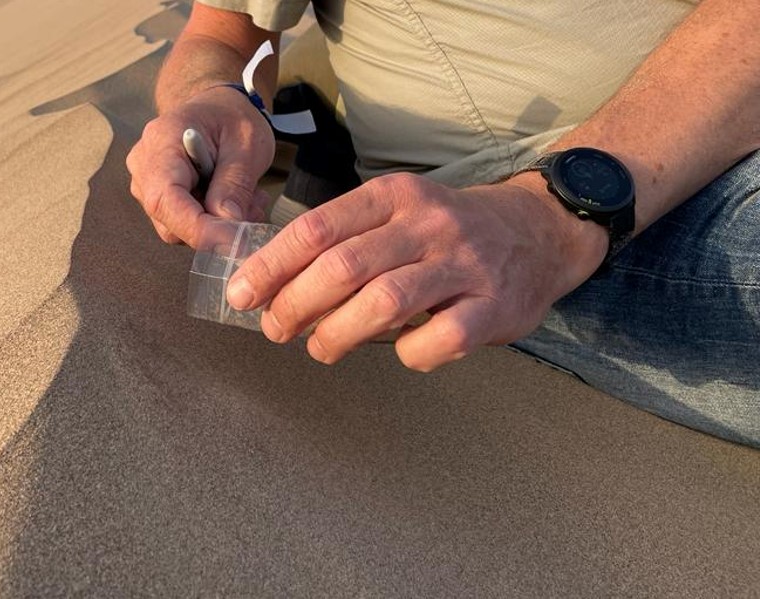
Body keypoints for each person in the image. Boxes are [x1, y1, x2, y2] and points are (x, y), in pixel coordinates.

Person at [125, 0, 760, 447]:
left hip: (588, 203)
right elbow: (223, 33)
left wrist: (553, 214)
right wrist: (217, 94)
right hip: (505, 218)